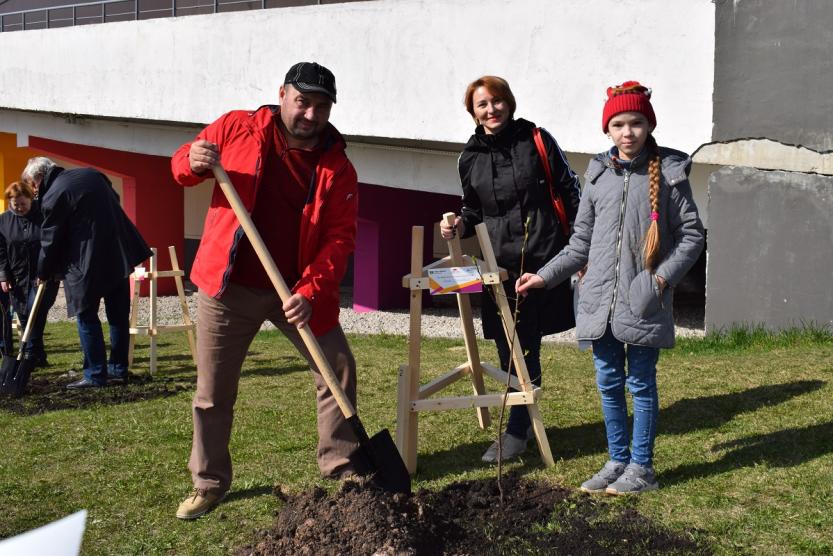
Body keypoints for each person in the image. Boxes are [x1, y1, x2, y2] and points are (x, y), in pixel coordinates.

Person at [170, 61, 361, 520]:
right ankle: (209, 482)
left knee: (336, 367)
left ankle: (343, 466)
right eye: (303, 102)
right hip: (228, 285)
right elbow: (183, 163)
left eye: (321, 106)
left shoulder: (338, 166)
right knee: (213, 389)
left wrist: (311, 291)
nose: (311, 115)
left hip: (295, 291)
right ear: (282, 95)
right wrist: (190, 161)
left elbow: (339, 238)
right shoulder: (238, 127)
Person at [516, 81, 705, 494]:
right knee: (607, 382)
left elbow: (692, 236)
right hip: (598, 300)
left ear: (648, 124)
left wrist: (659, 280)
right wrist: (545, 276)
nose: (628, 132)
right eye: (618, 124)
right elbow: (581, 241)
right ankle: (617, 460)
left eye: (636, 122)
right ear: (607, 129)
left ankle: (642, 468)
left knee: (640, 383)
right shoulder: (598, 174)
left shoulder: (670, 173)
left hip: (643, 301)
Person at [440, 76, 581, 463]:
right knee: (509, 347)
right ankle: (521, 424)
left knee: (524, 346)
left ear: (509, 102)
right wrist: (458, 226)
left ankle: (517, 431)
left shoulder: (536, 139)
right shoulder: (468, 157)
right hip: (497, 265)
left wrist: (580, 252)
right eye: (482, 104)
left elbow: (570, 190)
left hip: (540, 259)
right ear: (473, 112)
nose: (492, 109)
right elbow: (472, 208)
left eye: (497, 101)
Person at [22, 156, 152, 389]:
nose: (33, 191)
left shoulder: (53, 195)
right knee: (118, 315)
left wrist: (43, 271)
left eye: (32, 185)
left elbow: (50, 240)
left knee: (85, 315)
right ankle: (118, 370)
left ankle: (95, 374)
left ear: (39, 178)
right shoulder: (92, 174)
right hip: (117, 254)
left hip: (86, 262)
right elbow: (115, 200)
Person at [0, 181, 60, 365]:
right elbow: (0, 250)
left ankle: (30, 353)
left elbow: (52, 244)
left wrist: (49, 269)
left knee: (37, 309)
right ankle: (38, 356)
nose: (19, 208)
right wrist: (3, 274)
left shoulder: (43, 217)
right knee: (23, 312)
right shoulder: (3, 221)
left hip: (43, 274)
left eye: (23, 204)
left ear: (31, 200)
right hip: (16, 275)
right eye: (15, 204)